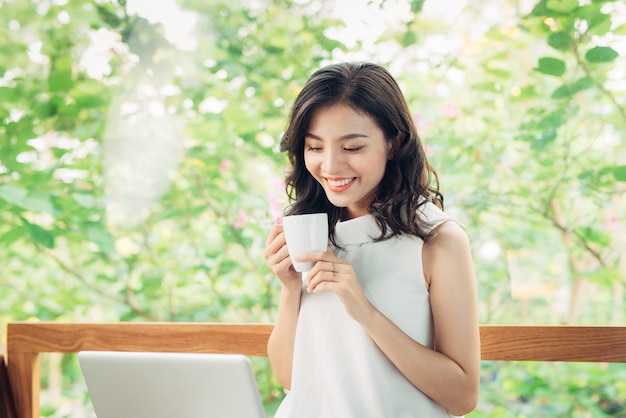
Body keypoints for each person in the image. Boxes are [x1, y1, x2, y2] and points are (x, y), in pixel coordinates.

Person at [263, 62, 480, 418]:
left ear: (394, 143)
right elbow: (290, 378)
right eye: (314, 147)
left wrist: (363, 310)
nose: (330, 166)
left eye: (352, 148)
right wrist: (290, 289)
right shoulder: (313, 231)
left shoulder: (437, 240)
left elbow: (462, 397)